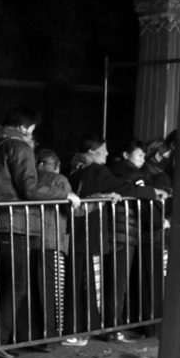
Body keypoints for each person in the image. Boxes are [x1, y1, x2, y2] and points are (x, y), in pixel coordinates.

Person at [0, 106, 79, 357]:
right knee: (17, 284)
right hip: (13, 224)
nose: (33, 133)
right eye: (32, 129)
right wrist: (65, 195)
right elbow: (29, 189)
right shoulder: (19, 147)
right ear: (24, 127)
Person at [64, 135, 157, 346]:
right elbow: (124, 187)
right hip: (88, 232)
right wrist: (151, 193)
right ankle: (75, 331)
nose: (107, 153)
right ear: (91, 151)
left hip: (74, 232)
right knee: (84, 284)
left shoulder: (75, 169)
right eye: (103, 149)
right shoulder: (97, 170)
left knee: (74, 283)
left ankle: (74, 330)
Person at [108, 139, 168, 339]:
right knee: (119, 283)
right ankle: (114, 329)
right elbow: (145, 207)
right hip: (125, 232)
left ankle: (112, 327)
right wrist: (160, 219)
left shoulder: (109, 170)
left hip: (110, 231)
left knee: (111, 281)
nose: (143, 159)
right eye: (139, 155)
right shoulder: (135, 176)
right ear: (126, 155)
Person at [32, 149, 72, 344]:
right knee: (54, 290)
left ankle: (31, 335)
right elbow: (72, 209)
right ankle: (52, 335)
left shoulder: (28, 178)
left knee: (32, 290)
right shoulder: (59, 180)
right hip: (52, 241)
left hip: (29, 240)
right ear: (56, 165)